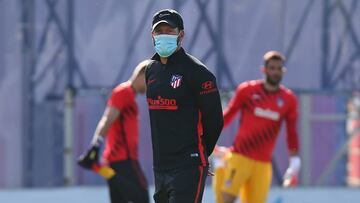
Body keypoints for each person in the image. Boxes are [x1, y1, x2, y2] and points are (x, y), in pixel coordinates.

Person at [145, 9, 224, 203]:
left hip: (188, 164)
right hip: (160, 166)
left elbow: (215, 120)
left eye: (169, 31)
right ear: (152, 35)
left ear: (181, 35)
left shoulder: (198, 73)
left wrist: (201, 155)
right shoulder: (151, 70)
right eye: (159, 31)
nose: (164, 35)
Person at [212, 51, 301, 203]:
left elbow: (291, 131)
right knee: (227, 199)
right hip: (240, 156)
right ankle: (222, 164)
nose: (275, 72)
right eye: (272, 68)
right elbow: (227, 116)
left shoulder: (288, 100)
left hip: (263, 163)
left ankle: (222, 163)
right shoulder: (247, 91)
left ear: (283, 71)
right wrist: (207, 138)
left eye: (279, 68)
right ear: (264, 70)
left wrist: (294, 162)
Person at [77, 60, 150, 203]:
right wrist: (96, 144)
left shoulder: (128, 95)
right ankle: (97, 166)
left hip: (116, 161)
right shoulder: (124, 92)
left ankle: (99, 168)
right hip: (124, 160)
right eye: (150, 80)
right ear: (142, 74)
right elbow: (107, 119)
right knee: (142, 195)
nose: (150, 87)